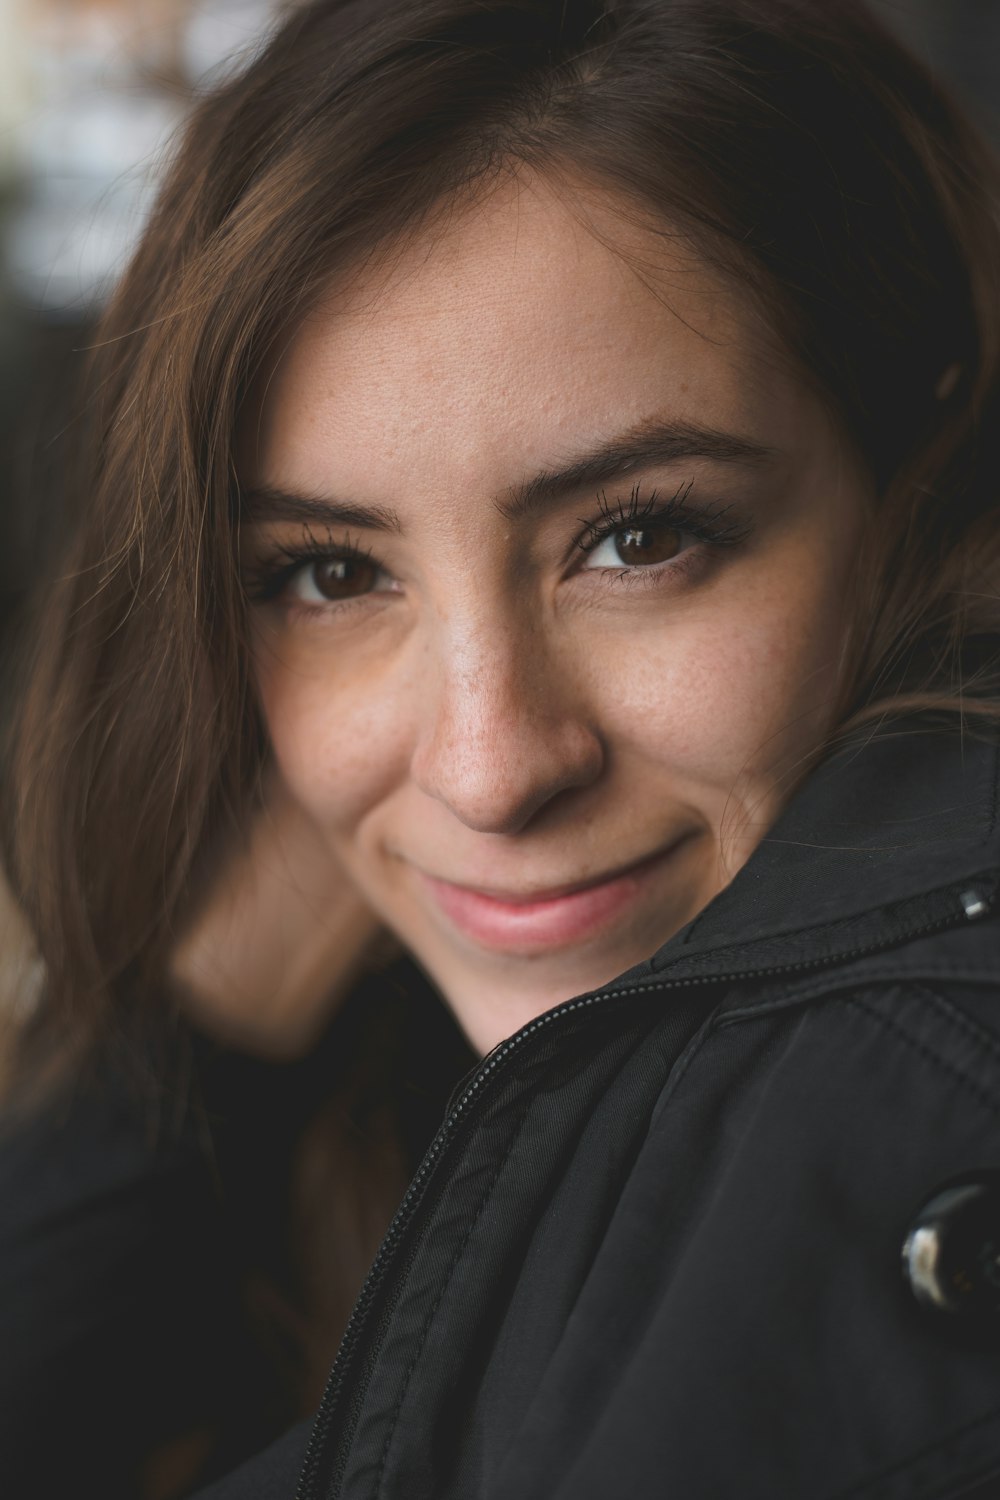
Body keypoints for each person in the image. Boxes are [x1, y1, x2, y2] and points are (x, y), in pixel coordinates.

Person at [2, 0, 1000, 1495]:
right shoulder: (386, 1043)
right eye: (332, 575)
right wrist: (214, 1025)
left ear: (924, 473)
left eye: (641, 538)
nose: (489, 765)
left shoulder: (902, 1093)